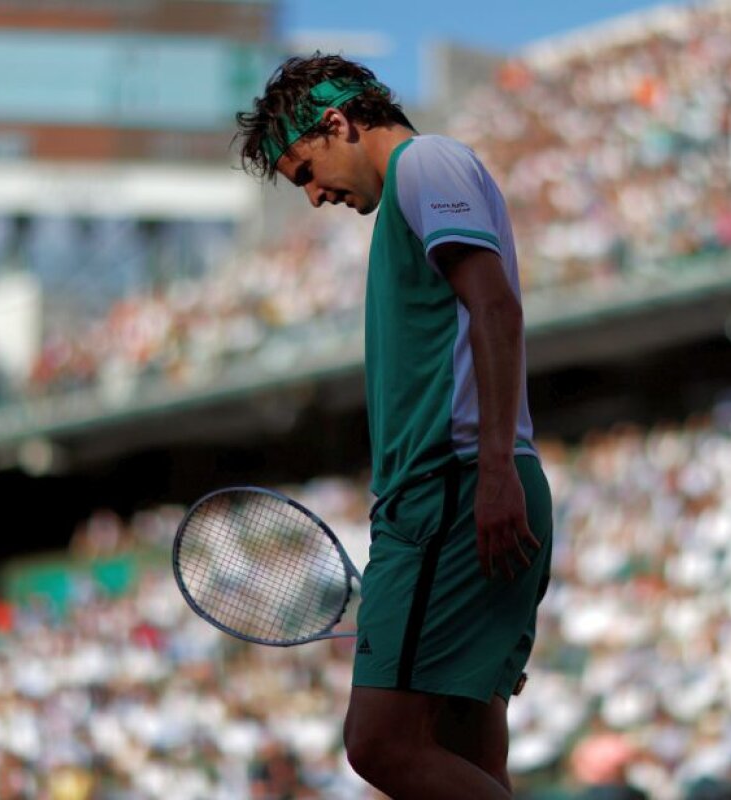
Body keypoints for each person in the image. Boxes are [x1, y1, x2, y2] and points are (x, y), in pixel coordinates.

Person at [234, 54, 553, 799]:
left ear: (337, 123)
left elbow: (496, 309)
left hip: (456, 489)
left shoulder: (424, 164)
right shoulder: (419, 186)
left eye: (306, 170)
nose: (314, 196)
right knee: (466, 756)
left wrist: (496, 470)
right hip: (470, 486)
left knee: (378, 744)